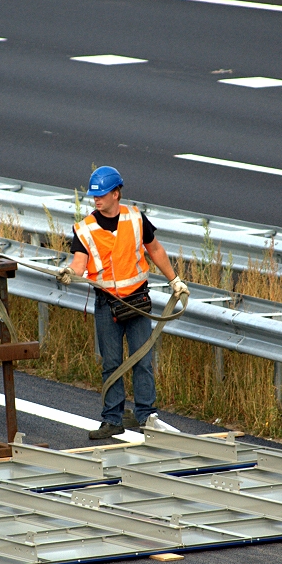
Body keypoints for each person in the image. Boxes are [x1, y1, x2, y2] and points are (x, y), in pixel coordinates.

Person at [57, 166, 189, 439]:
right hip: (107, 305)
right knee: (112, 363)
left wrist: (175, 280)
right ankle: (112, 420)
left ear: (116, 194)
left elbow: (155, 249)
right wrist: (70, 273)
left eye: (101, 194)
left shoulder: (135, 218)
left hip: (137, 302)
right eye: (93, 195)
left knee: (141, 359)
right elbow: (80, 264)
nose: (96, 199)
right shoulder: (85, 229)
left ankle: (146, 416)